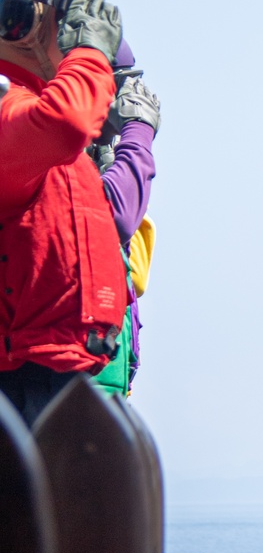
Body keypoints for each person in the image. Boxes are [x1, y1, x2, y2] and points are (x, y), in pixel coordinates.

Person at [0, 0, 126, 425]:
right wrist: (92, 54)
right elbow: (67, 121)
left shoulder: (43, 121)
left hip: (62, 373)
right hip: (22, 381)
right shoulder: (20, 115)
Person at [91, 41, 160, 393]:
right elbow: (114, 216)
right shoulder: (38, 149)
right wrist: (138, 133)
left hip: (104, 381)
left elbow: (137, 277)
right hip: (64, 388)